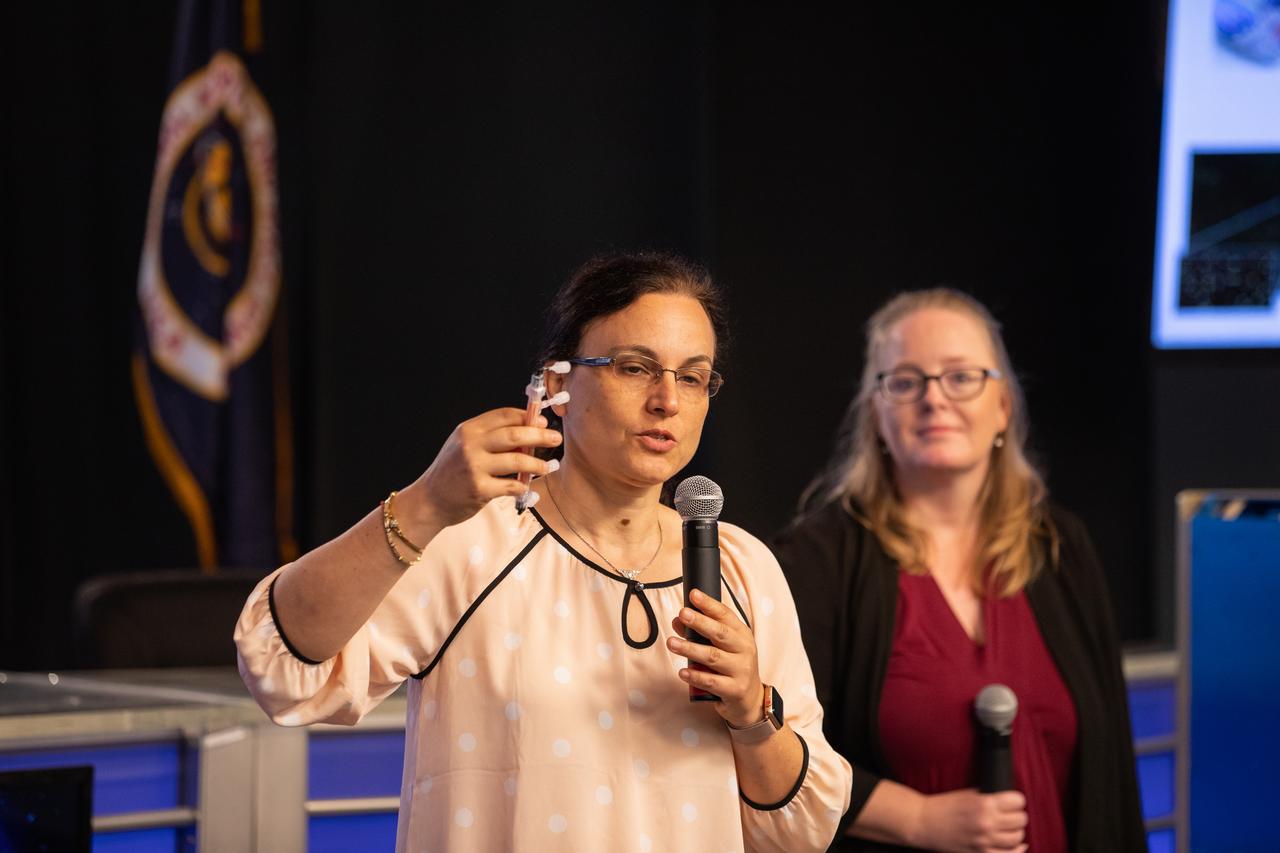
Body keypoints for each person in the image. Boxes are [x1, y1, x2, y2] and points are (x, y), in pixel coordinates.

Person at [234, 252, 851, 852]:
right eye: (635, 367)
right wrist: (425, 503)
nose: (668, 399)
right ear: (557, 384)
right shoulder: (471, 538)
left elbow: (803, 829)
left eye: (691, 377)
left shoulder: (741, 566)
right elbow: (282, 666)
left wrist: (753, 713)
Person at [771, 289, 1145, 852]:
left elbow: (1111, 764)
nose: (933, 399)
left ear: (1003, 406)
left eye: (961, 376)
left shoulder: (1061, 545)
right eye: (905, 381)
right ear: (875, 413)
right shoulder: (817, 560)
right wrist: (917, 819)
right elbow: (775, 749)